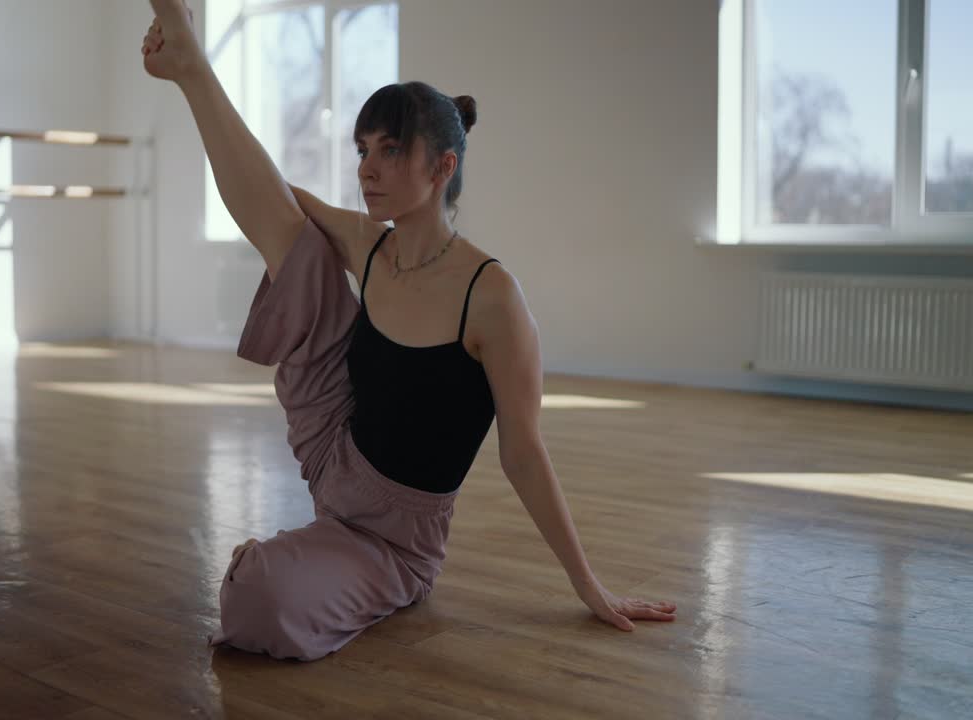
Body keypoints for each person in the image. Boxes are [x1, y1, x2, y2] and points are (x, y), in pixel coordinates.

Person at [140, 0, 676, 662]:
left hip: (395, 536)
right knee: (299, 244)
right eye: (363, 149)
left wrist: (589, 585)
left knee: (255, 601)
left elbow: (523, 454)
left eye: (390, 151)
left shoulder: (494, 299)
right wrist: (207, 92)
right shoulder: (372, 246)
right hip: (334, 440)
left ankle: (311, 567)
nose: (367, 168)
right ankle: (194, 67)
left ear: (442, 167)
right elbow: (283, 207)